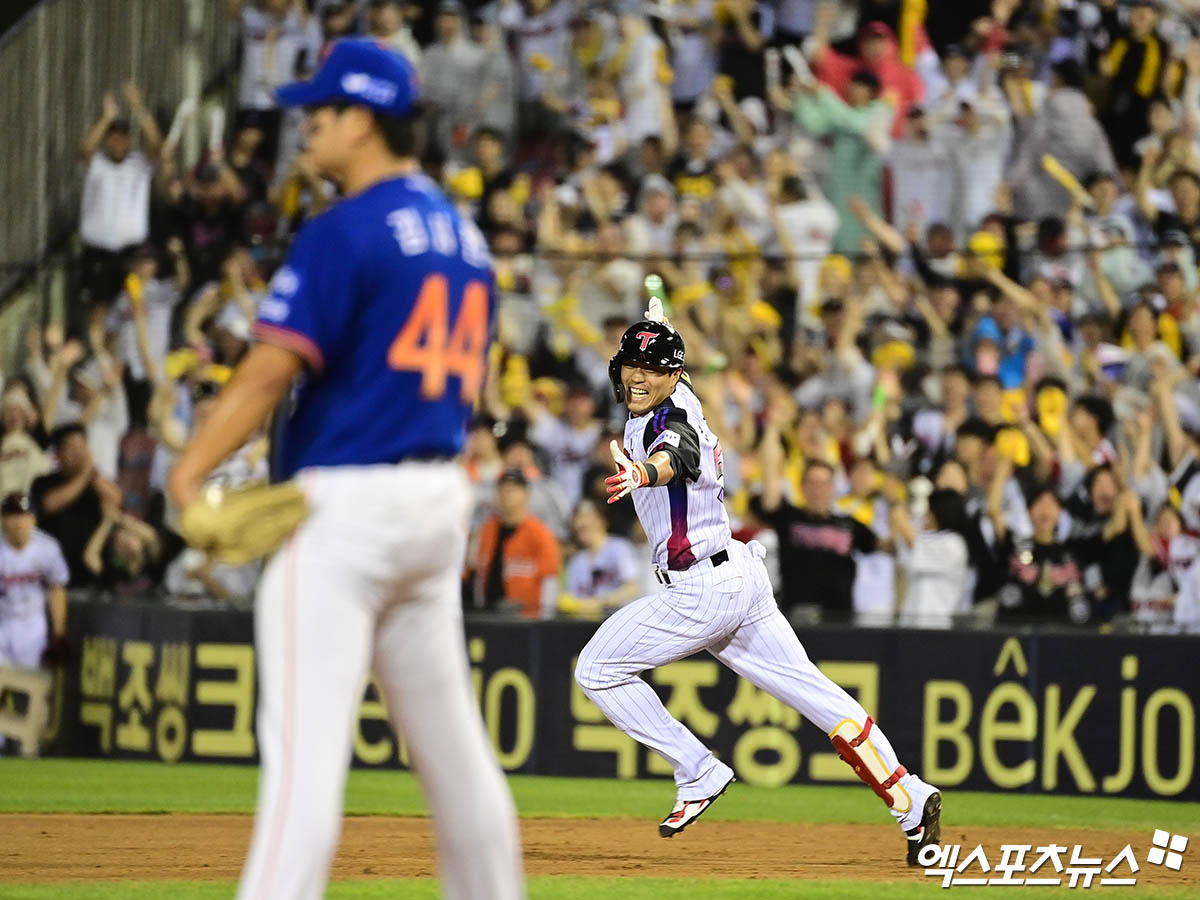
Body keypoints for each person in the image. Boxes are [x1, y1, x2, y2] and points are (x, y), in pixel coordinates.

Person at [165, 40, 522, 900]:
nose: (307, 126)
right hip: (439, 499)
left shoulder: (345, 228)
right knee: (457, 761)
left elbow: (267, 369)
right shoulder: (465, 236)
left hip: (349, 509)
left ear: (361, 120)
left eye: (319, 113)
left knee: (301, 769)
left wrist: (188, 477)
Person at [574, 306, 941, 864]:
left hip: (700, 590)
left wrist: (644, 473)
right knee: (816, 693)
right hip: (740, 576)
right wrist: (662, 327)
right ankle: (909, 796)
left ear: (674, 375)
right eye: (631, 365)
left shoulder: (665, 421)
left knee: (596, 668)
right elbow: (679, 401)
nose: (637, 376)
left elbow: (680, 452)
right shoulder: (682, 394)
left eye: (650, 367)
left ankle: (697, 769)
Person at [30, 423, 122, 588]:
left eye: (82, 446)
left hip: (93, 570)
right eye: (71, 447)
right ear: (57, 453)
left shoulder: (95, 481)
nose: (78, 452)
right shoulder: (43, 482)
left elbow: (116, 500)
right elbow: (51, 504)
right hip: (55, 573)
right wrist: (85, 475)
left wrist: (91, 475)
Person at [0, 493, 69, 669]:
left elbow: (56, 589)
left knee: (30, 685)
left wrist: (59, 633)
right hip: (2, 622)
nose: (18, 522)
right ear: (2, 519)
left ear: (33, 518)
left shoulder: (47, 548)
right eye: (12, 515)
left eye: (23, 514)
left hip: (32, 627)